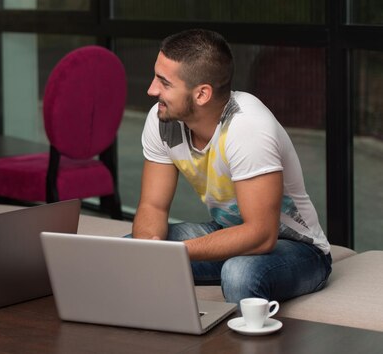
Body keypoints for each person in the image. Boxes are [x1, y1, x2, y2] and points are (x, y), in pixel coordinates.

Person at [132, 29, 332, 304]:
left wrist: (176, 253)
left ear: (202, 94)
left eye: (164, 83)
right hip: (228, 232)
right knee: (127, 251)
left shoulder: (247, 127)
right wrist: (146, 253)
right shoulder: (162, 120)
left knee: (239, 273)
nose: (152, 90)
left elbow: (262, 235)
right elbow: (152, 206)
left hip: (298, 249)